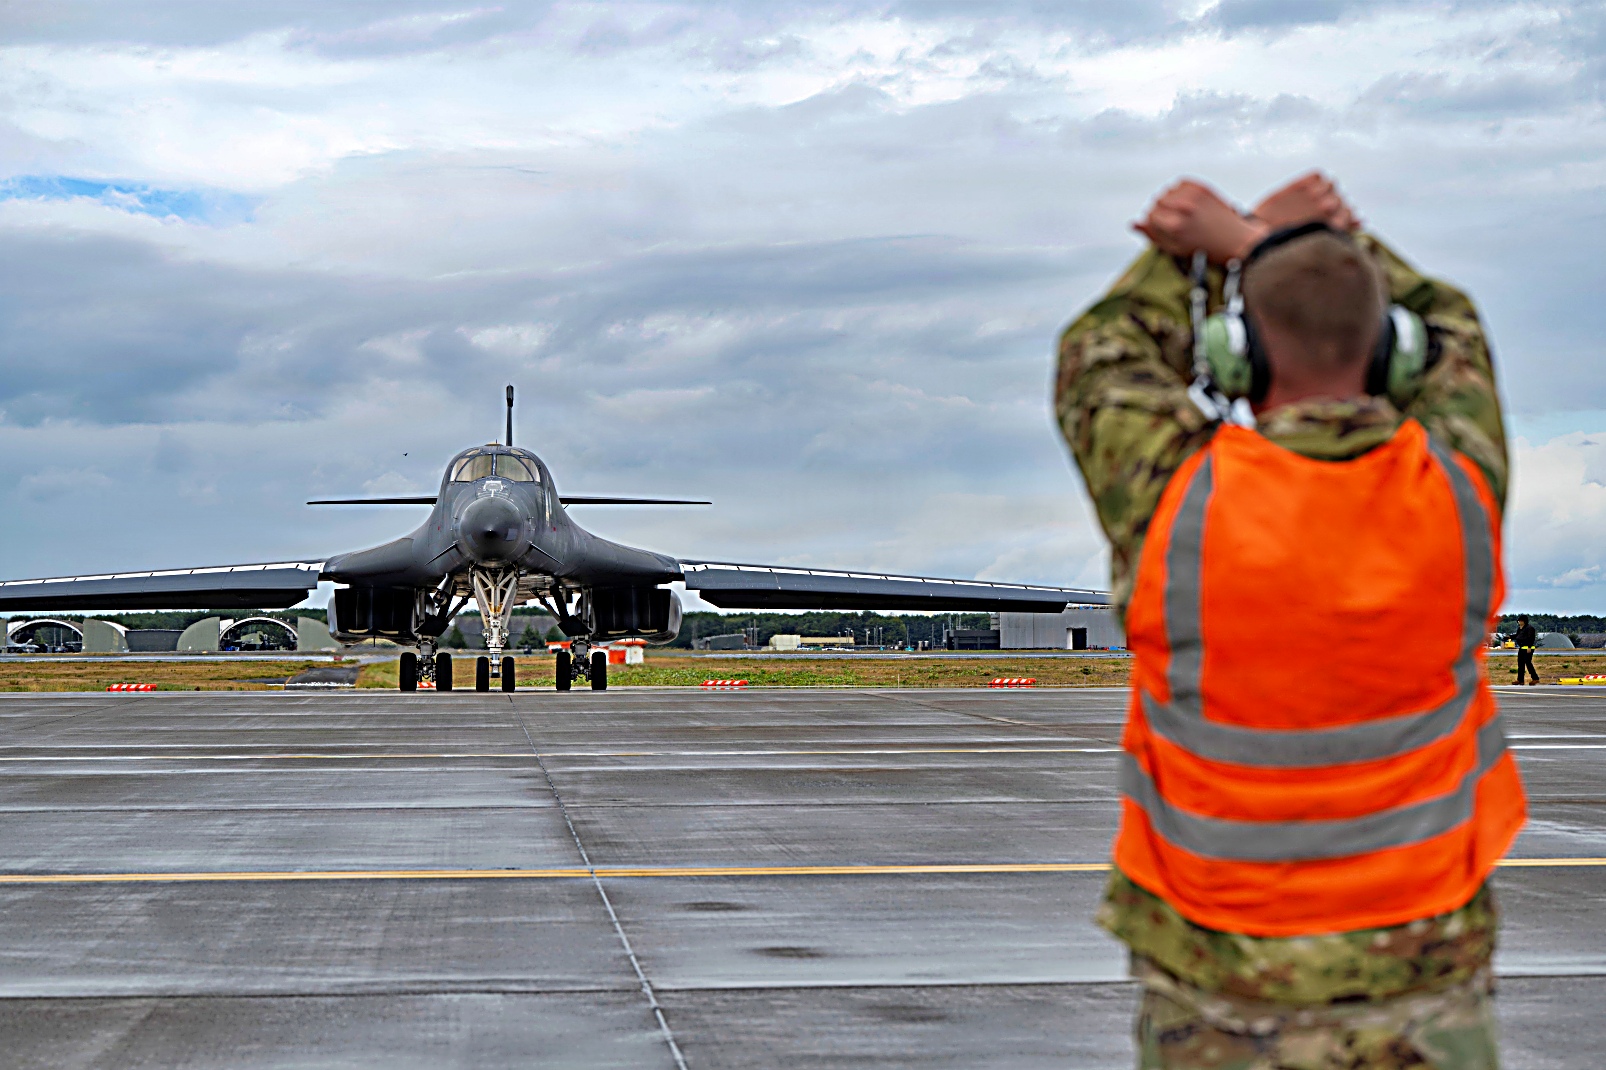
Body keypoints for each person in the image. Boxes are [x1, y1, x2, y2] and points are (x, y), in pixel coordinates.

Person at [1056, 171, 1527, 1068]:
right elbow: (1455, 326)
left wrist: (1208, 250)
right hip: (1422, 973)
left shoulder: (1174, 499)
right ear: (1390, 352)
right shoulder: (1459, 490)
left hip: (1218, 980)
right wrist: (1292, 242)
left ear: (1238, 357)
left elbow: (1101, 351)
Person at [1514, 615, 1539, 685]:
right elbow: (1517, 636)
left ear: (1524, 621)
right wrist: (1509, 637)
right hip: (1522, 648)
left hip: (1528, 648)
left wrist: (1529, 647)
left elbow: (1531, 638)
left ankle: (1535, 678)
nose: (1519, 622)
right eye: (1519, 621)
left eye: (1521, 621)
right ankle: (1520, 680)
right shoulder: (1520, 628)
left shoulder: (1530, 628)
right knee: (1520, 664)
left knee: (1528, 663)